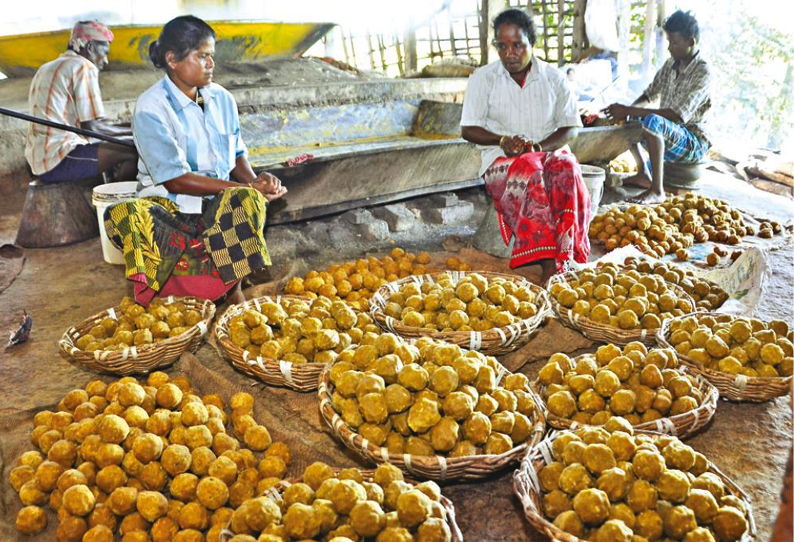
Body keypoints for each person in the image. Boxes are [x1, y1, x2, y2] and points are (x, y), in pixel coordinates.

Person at [104, 15, 286, 306]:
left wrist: (254, 181)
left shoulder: (222, 99)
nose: (211, 64)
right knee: (125, 213)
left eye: (211, 56)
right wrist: (238, 188)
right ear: (173, 59)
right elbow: (175, 179)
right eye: (202, 56)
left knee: (247, 202)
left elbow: (236, 153)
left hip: (212, 206)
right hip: (169, 210)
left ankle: (231, 288)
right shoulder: (151, 107)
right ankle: (157, 299)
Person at [461, 8, 590, 284]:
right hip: (501, 162)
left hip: (547, 152)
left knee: (568, 166)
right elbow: (468, 128)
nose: (510, 53)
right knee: (530, 169)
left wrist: (540, 145)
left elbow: (572, 127)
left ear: (532, 43)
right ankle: (548, 263)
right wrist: (501, 140)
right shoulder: (483, 79)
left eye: (518, 45)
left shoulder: (553, 78)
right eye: (502, 46)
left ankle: (567, 253)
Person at [603, 10, 711, 204]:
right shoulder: (671, 64)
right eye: (668, 41)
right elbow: (649, 94)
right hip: (670, 133)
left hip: (693, 141)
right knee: (632, 118)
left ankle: (657, 190)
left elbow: (677, 116)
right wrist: (627, 111)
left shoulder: (702, 71)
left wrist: (628, 110)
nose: (669, 47)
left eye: (674, 42)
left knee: (653, 121)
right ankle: (644, 173)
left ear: (691, 42)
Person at [25, 21, 137, 183]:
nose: (105, 60)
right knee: (135, 149)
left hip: (39, 161)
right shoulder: (83, 66)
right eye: (104, 52)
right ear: (90, 47)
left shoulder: (47, 67)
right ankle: (119, 201)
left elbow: (96, 125)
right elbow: (92, 128)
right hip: (60, 160)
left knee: (117, 145)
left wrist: (130, 127)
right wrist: (136, 134)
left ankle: (107, 193)